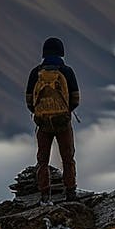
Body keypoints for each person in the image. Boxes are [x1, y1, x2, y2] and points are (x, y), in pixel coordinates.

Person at [25, 37, 80, 203]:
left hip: (43, 124)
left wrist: (41, 114)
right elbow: (75, 99)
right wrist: (65, 112)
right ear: (61, 52)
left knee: (42, 160)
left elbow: (29, 100)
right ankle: (70, 193)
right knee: (68, 158)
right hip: (63, 122)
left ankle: (44, 195)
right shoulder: (67, 72)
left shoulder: (35, 73)